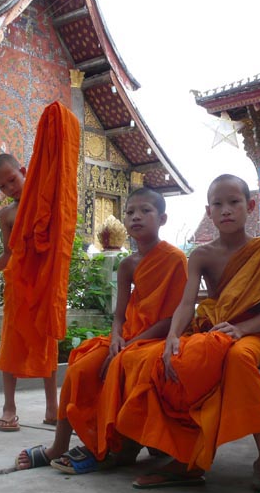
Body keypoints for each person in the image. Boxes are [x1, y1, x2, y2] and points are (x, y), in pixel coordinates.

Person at [115, 174, 260, 493]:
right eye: (218, 204)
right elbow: (186, 304)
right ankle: (186, 460)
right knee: (175, 361)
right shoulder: (201, 255)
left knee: (238, 359)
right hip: (214, 333)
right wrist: (173, 336)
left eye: (234, 202)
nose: (226, 210)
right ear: (209, 211)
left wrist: (240, 329)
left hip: (253, 336)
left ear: (249, 206)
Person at [14, 187, 188, 472]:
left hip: (159, 337)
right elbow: (119, 315)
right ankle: (58, 444)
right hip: (129, 338)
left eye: (146, 211)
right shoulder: (127, 264)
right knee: (80, 368)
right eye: (130, 212)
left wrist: (129, 346)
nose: (136, 218)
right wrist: (117, 337)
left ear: (163, 219)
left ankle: (109, 446)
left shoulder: (175, 259)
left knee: (123, 365)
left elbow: (172, 319)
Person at [0, 101, 80, 432]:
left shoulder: (44, 200)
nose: (10, 188)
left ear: (24, 171)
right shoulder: (5, 214)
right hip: (19, 283)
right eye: (3, 186)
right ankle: (9, 407)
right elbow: (11, 253)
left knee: (47, 339)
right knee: (11, 343)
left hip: (44, 281)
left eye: (12, 179)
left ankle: (53, 407)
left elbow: (58, 171)